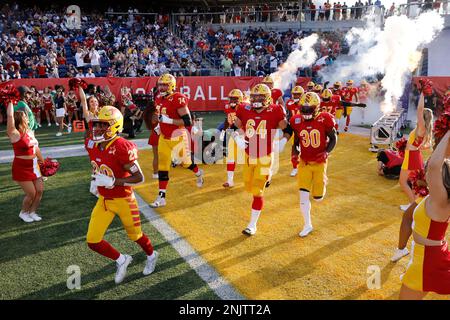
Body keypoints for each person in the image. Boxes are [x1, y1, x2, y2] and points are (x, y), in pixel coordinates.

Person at [86, 106, 158, 284]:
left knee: (136, 236)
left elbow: (139, 178)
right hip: (104, 200)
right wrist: (95, 180)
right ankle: (122, 259)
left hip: (124, 200)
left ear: (116, 126)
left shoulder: (121, 147)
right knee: (93, 240)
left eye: (104, 125)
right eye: (98, 124)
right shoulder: (92, 143)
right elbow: (97, 163)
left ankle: (151, 254)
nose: (98, 129)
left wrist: (113, 181)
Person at [233, 83, 291, 235]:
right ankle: (268, 176)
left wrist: (284, 141)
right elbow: (234, 126)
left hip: (265, 156)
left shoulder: (275, 110)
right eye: (254, 97)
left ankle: (252, 225)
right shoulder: (244, 108)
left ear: (267, 99)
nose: (256, 99)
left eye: (260, 97)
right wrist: (237, 136)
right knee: (248, 185)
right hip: (248, 155)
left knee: (257, 192)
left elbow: (288, 129)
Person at [399, 131, 450, 299]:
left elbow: (435, 164)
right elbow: (437, 163)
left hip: (428, 260)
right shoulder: (434, 197)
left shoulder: (440, 200)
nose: (426, 171)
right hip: (426, 255)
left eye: (432, 173)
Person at [286, 92, 338, 237]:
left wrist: (327, 152)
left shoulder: (324, 118)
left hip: (320, 162)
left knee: (318, 198)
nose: (306, 112)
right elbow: (296, 141)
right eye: (304, 108)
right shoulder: (296, 120)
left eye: (309, 109)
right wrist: (295, 153)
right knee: (303, 195)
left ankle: (322, 183)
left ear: (317, 108)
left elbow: (333, 138)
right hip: (305, 163)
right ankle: (307, 224)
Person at [149, 74, 204, 208]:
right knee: (163, 166)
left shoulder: (178, 98)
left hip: (178, 136)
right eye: (160, 84)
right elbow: (160, 117)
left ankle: (198, 172)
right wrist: (158, 126)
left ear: (172, 86)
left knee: (185, 163)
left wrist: (167, 121)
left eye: (165, 85)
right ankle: (161, 197)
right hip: (164, 137)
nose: (161, 87)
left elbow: (187, 121)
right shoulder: (158, 98)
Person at [6, 100, 44, 223]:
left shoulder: (30, 132)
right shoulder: (15, 134)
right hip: (21, 168)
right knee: (31, 193)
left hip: (34, 166)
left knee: (39, 191)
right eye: (25, 117)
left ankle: (32, 212)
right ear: (19, 120)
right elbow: (10, 116)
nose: (28, 118)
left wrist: (42, 161)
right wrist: (10, 101)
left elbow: (36, 148)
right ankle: (23, 213)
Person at [399, 93, 433, 211]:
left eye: (420, 116)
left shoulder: (421, 128)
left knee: (403, 182)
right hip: (414, 155)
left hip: (412, 157)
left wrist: (423, 93)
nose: (417, 116)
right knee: (414, 183)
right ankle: (415, 205)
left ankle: (412, 205)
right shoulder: (421, 129)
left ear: (422, 117)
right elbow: (425, 145)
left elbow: (419, 109)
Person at [221, 89, 245, 188]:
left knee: (250, 158)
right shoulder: (227, 107)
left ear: (240, 99)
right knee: (230, 158)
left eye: (235, 99)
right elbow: (227, 119)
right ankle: (230, 181)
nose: (232, 101)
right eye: (231, 99)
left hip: (244, 135)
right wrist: (223, 131)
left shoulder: (244, 108)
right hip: (232, 135)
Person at [285, 85, 304, 177]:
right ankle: (295, 167)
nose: (296, 96)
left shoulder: (305, 103)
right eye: (294, 94)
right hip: (295, 129)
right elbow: (288, 114)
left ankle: (304, 167)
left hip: (305, 129)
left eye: (298, 94)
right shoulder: (289, 103)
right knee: (295, 149)